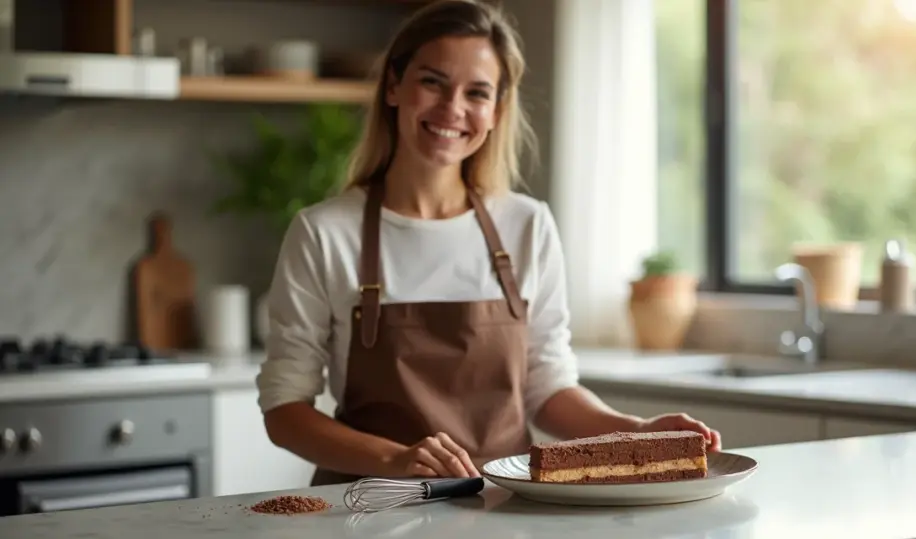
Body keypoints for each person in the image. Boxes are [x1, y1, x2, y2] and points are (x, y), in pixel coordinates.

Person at [256, 0, 722, 484]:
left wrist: (635, 432)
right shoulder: (324, 232)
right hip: (372, 505)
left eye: (476, 92)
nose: (452, 108)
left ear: (497, 110)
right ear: (394, 86)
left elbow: (547, 386)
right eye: (432, 82)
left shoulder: (527, 225)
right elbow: (285, 411)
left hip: (503, 507)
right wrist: (394, 461)